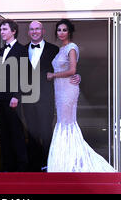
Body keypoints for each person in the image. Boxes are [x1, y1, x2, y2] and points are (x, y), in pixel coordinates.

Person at [46, 19, 114, 172]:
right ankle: (64, 161)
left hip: (68, 90)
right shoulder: (60, 49)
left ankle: (69, 162)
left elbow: (72, 71)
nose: (61, 33)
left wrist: (53, 75)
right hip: (60, 89)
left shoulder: (71, 47)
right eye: (59, 30)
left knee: (67, 123)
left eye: (64, 30)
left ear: (69, 32)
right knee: (62, 122)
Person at [22, 20, 81, 172]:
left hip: (48, 96)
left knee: (47, 130)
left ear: (43, 31)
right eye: (32, 29)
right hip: (28, 97)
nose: (34, 32)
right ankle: (34, 166)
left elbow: (69, 66)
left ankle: (48, 163)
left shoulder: (54, 49)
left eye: (37, 29)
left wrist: (78, 76)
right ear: (28, 32)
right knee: (31, 131)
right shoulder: (22, 50)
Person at [0, 19, 28, 172]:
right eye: (1, 29)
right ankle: (8, 167)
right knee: (3, 133)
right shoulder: (1, 51)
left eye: (5, 29)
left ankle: (21, 168)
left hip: (13, 99)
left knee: (16, 132)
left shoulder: (21, 50)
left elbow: (24, 75)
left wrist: (16, 96)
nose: (2, 32)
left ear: (13, 31)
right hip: (0, 98)